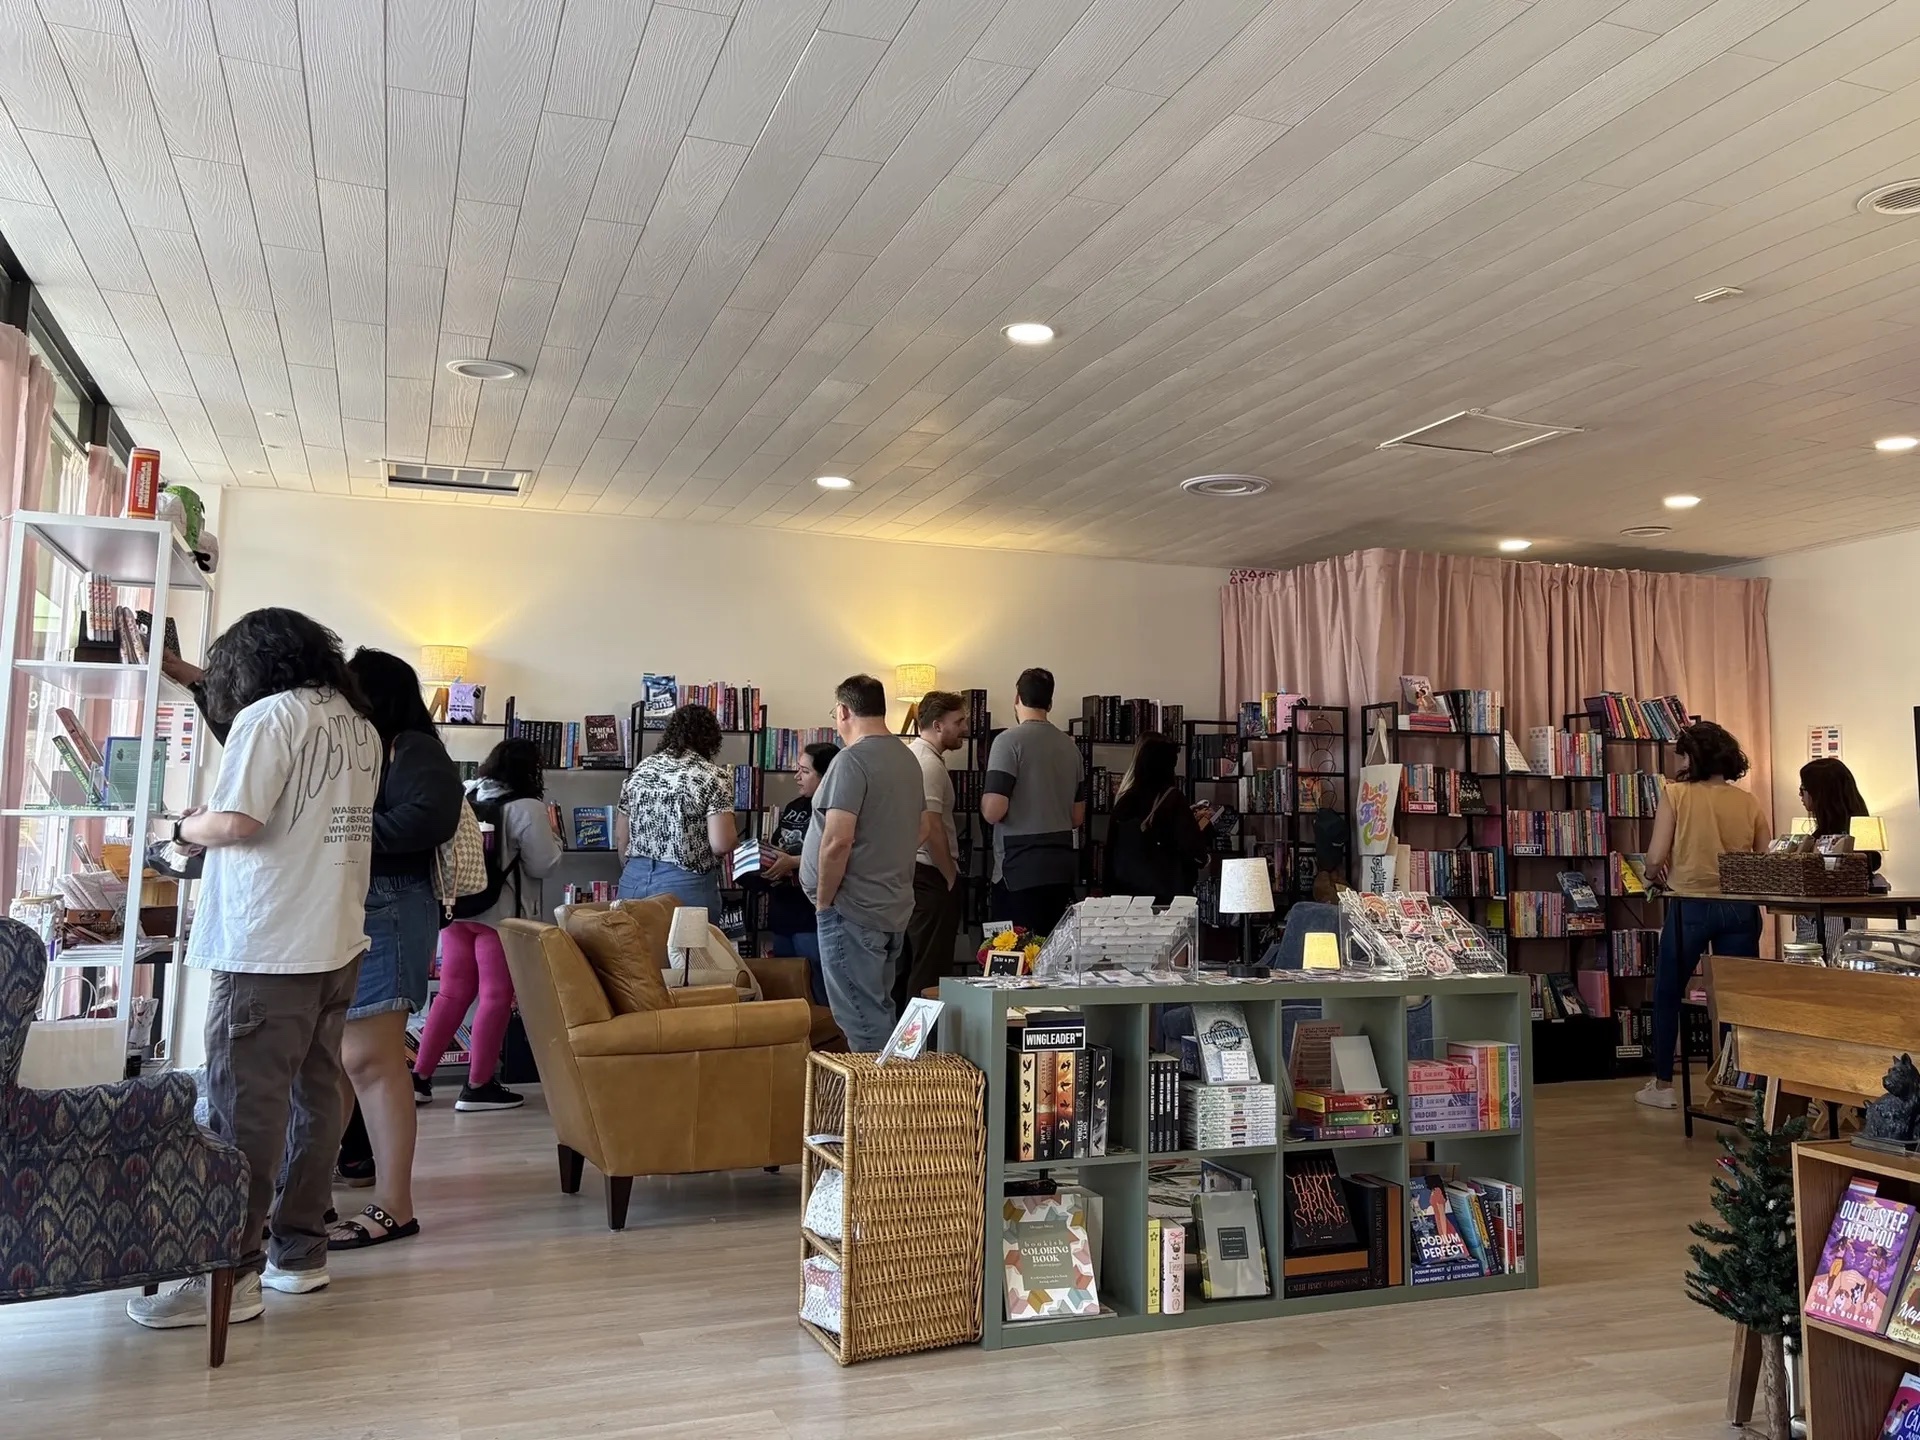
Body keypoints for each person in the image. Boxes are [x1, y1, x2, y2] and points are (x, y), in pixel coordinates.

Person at [128, 609, 380, 1331]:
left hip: (267, 944)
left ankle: (228, 1273)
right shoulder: (356, 722)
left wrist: (181, 827)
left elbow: (239, 823)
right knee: (315, 1098)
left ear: (254, 663)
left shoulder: (269, 717)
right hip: (335, 937)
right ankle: (298, 1254)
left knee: (243, 1108)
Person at [330, 648, 463, 1248]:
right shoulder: (370, 746)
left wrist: (342, 832)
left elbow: (429, 819)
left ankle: (394, 1205)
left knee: (370, 1059)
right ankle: (314, 1193)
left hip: (390, 905)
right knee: (341, 1059)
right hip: (363, 904)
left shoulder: (411, 747)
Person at [412, 737, 563, 1112]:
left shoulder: (466, 791)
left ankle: (418, 1078)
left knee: (451, 994)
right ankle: (478, 1086)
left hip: (459, 906)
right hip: (502, 915)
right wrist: (556, 840)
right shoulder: (527, 807)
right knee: (496, 996)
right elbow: (543, 864)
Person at [1637, 720, 1770, 1112]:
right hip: (1740, 907)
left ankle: (1663, 1085)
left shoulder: (1675, 794)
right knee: (1735, 1000)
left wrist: (1650, 875)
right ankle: (1738, 1085)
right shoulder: (1748, 801)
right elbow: (1764, 857)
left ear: (1692, 758)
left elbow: (1656, 856)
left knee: (1668, 991)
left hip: (1690, 903)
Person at [801, 674, 925, 1052]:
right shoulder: (907, 758)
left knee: (862, 1021)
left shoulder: (851, 760)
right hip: (891, 905)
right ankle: (893, 1087)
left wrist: (824, 903)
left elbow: (837, 840)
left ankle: (881, 1092)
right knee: (879, 1009)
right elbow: (921, 828)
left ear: (843, 711)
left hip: (852, 910)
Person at [979, 667, 1085, 935]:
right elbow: (1077, 817)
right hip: (1060, 869)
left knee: (1014, 954)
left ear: (1017, 698)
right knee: (1052, 952)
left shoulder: (1007, 742)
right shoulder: (1071, 747)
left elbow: (993, 811)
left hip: (1018, 870)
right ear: (1050, 703)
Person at [616, 703, 737, 910]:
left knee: (633, 933)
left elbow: (621, 836)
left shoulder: (641, 770)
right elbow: (721, 844)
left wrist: (637, 869)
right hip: (685, 885)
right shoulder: (713, 776)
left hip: (633, 879)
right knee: (690, 934)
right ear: (710, 739)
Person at [895, 691, 970, 1012]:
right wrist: (950, 876)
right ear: (938, 725)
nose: (965, 727)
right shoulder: (928, 764)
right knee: (930, 971)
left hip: (915, 874)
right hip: (930, 875)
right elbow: (932, 827)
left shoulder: (914, 756)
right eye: (959, 721)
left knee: (912, 964)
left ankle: (907, 1038)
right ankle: (924, 1041)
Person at [760, 740, 838, 1004]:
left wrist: (793, 862)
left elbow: (837, 853)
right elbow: (778, 843)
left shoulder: (834, 811)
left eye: (805, 771)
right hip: (783, 912)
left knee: (818, 988)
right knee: (787, 988)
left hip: (812, 914)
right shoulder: (794, 806)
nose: (797, 776)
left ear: (825, 776)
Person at [1102, 734, 1208, 904]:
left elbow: (1110, 852)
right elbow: (1191, 848)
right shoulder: (1173, 799)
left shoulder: (1124, 799)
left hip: (1125, 895)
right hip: (1164, 897)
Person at [1796, 756, 1883, 948]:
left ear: (1819, 793)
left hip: (1830, 923)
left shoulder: (1835, 842)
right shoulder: (1849, 833)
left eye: (1803, 789)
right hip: (1843, 923)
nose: (1800, 795)